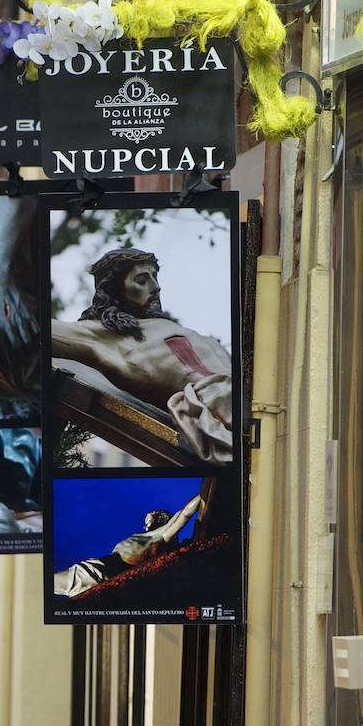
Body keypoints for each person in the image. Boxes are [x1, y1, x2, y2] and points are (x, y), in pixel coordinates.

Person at [50, 248, 233, 465]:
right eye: (141, 280)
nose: (156, 287)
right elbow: (37, 330)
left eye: (155, 276)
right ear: (115, 289)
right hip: (220, 414)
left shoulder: (167, 328)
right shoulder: (103, 336)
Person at [53, 498, 203, 599]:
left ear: (160, 518)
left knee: (43, 584)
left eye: (149, 519)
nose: (145, 525)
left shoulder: (159, 535)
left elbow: (184, 515)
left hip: (95, 573)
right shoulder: (153, 537)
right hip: (95, 573)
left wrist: (202, 494)